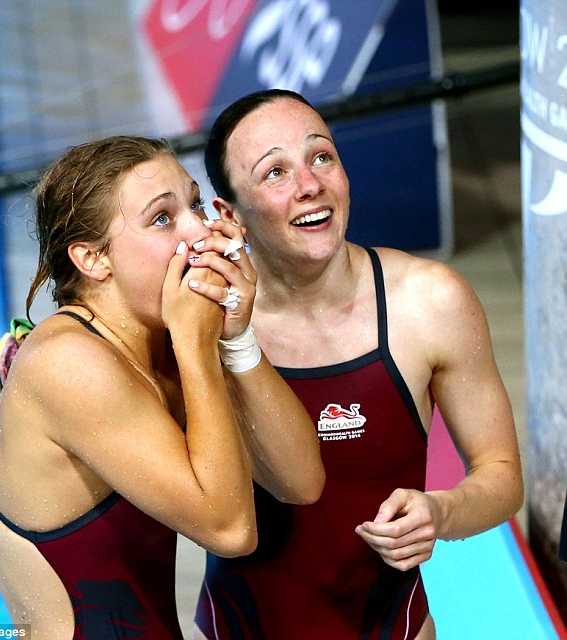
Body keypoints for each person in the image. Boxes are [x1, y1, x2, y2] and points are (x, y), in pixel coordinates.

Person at [189, 90, 524, 640]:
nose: (309, 185)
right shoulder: (202, 327)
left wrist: (442, 512)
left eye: (321, 156)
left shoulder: (429, 302)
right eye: (274, 172)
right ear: (229, 214)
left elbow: (502, 478)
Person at [0, 135, 324, 639]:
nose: (201, 231)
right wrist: (197, 347)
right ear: (93, 259)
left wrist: (238, 340)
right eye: (163, 219)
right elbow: (231, 530)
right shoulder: (68, 364)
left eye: (195, 204)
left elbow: (301, 482)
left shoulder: (164, 336)